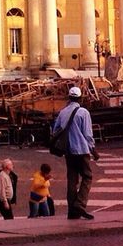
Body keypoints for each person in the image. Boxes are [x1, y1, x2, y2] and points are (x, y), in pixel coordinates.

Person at [51, 86, 100, 220]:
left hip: (69, 151)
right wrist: (93, 150)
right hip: (82, 150)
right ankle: (80, 204)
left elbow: (55, 131)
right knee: (87, 176)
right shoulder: (83, 112)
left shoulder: (63, 112)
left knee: (72, 180)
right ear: (80, 98)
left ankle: (72, 211)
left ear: (69, 97)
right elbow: (88, 134)